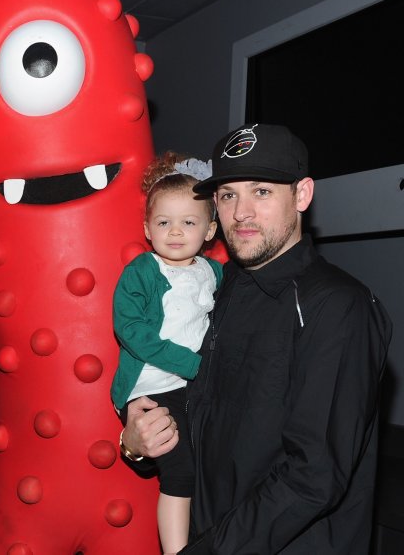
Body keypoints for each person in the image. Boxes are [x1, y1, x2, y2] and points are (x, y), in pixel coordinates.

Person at [120, 124, 392, 554]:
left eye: (261, 191)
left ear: (302, 195)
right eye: (228, 195)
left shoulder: (340, 307)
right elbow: (190, 411)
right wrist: (135, 441)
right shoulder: (216, 288)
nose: (241, 212)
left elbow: (312, 478)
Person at [111, 152, 222, 555]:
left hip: (195, 387)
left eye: (188, 222)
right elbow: (132, 331)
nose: (175, 232)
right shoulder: (142, 270)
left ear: (210, 230)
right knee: (180, 471)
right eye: (163, 222)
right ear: (147, 228)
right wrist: (193, 365)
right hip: (152, 387)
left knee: (208, 465)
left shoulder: (213, 273)